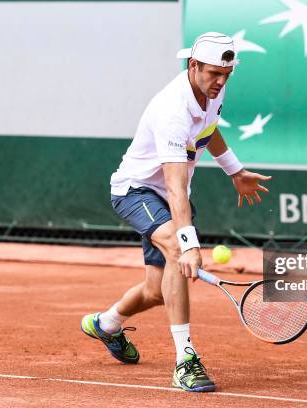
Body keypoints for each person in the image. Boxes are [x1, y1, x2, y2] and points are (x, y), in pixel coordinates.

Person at [81, 32, 270, 392]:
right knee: (175, 249)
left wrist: (235, 170)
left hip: (168, 196)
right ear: (193, 65)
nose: (221, 82)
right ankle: (186, 361)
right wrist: (189, 243)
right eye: (214, 73)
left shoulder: (213, 89)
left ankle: (105, 324)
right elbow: (173, 186)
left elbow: (209, 130)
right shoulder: (172, 109)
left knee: (156, 292)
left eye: (226, 75)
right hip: (136, 191)